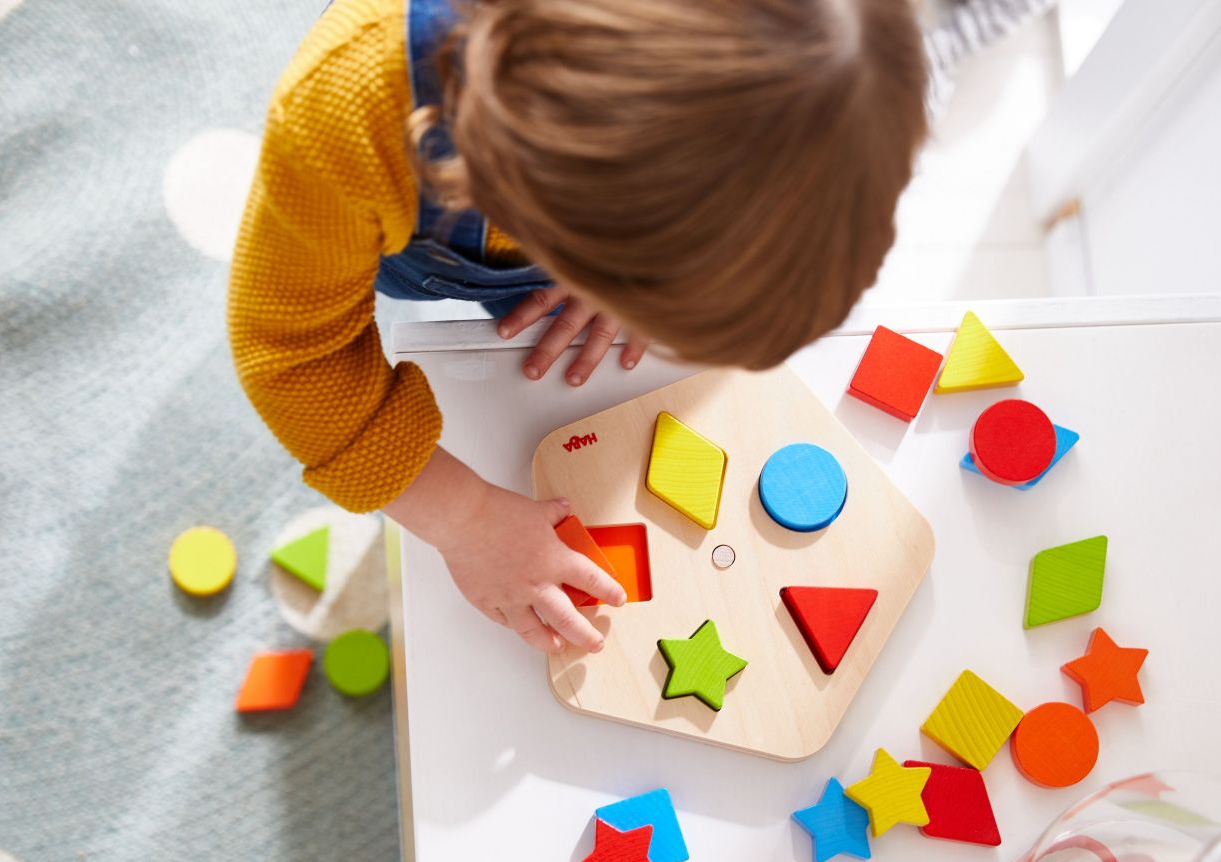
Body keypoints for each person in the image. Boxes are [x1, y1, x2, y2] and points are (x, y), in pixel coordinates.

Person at [228, 0, 928, 654]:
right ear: (558, 185)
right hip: (392, 233)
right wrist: (465, 519)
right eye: (628, 285)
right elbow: (289, 355)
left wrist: (607, 270)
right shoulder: (342, 114)